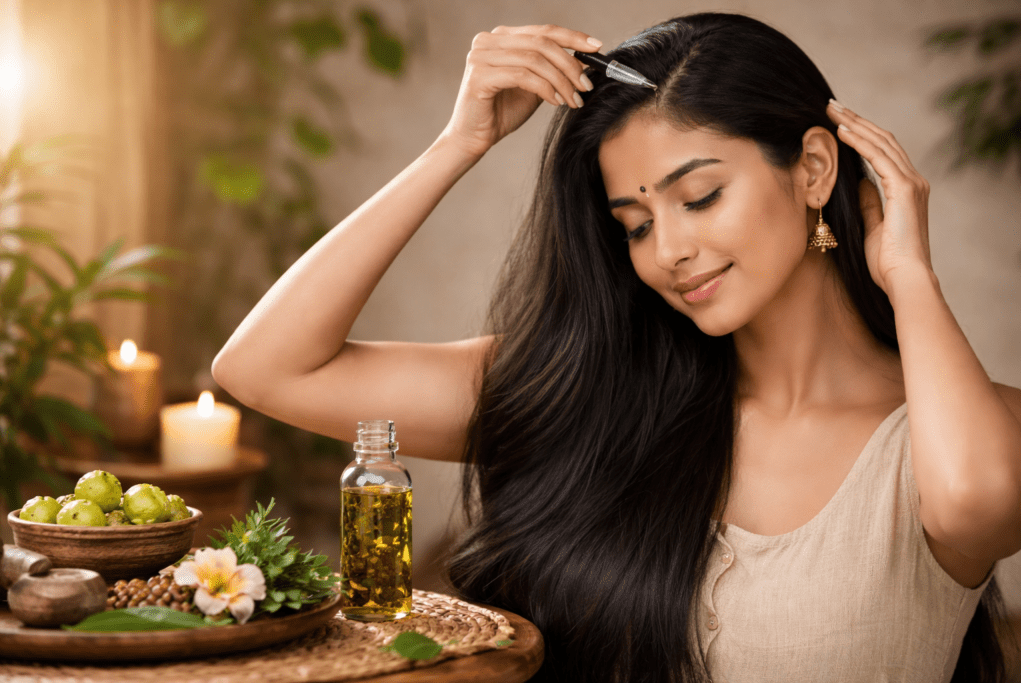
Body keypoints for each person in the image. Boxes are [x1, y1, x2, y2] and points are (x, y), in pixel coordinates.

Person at [211, 12, 1021, 682]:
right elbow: (266, 367)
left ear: (813, 167)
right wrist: (458, 143)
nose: (667, 248)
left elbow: (979, 496)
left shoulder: (959, 432)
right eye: (634, 223)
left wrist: (909, 274)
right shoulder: (593, 392)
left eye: (699, 196)